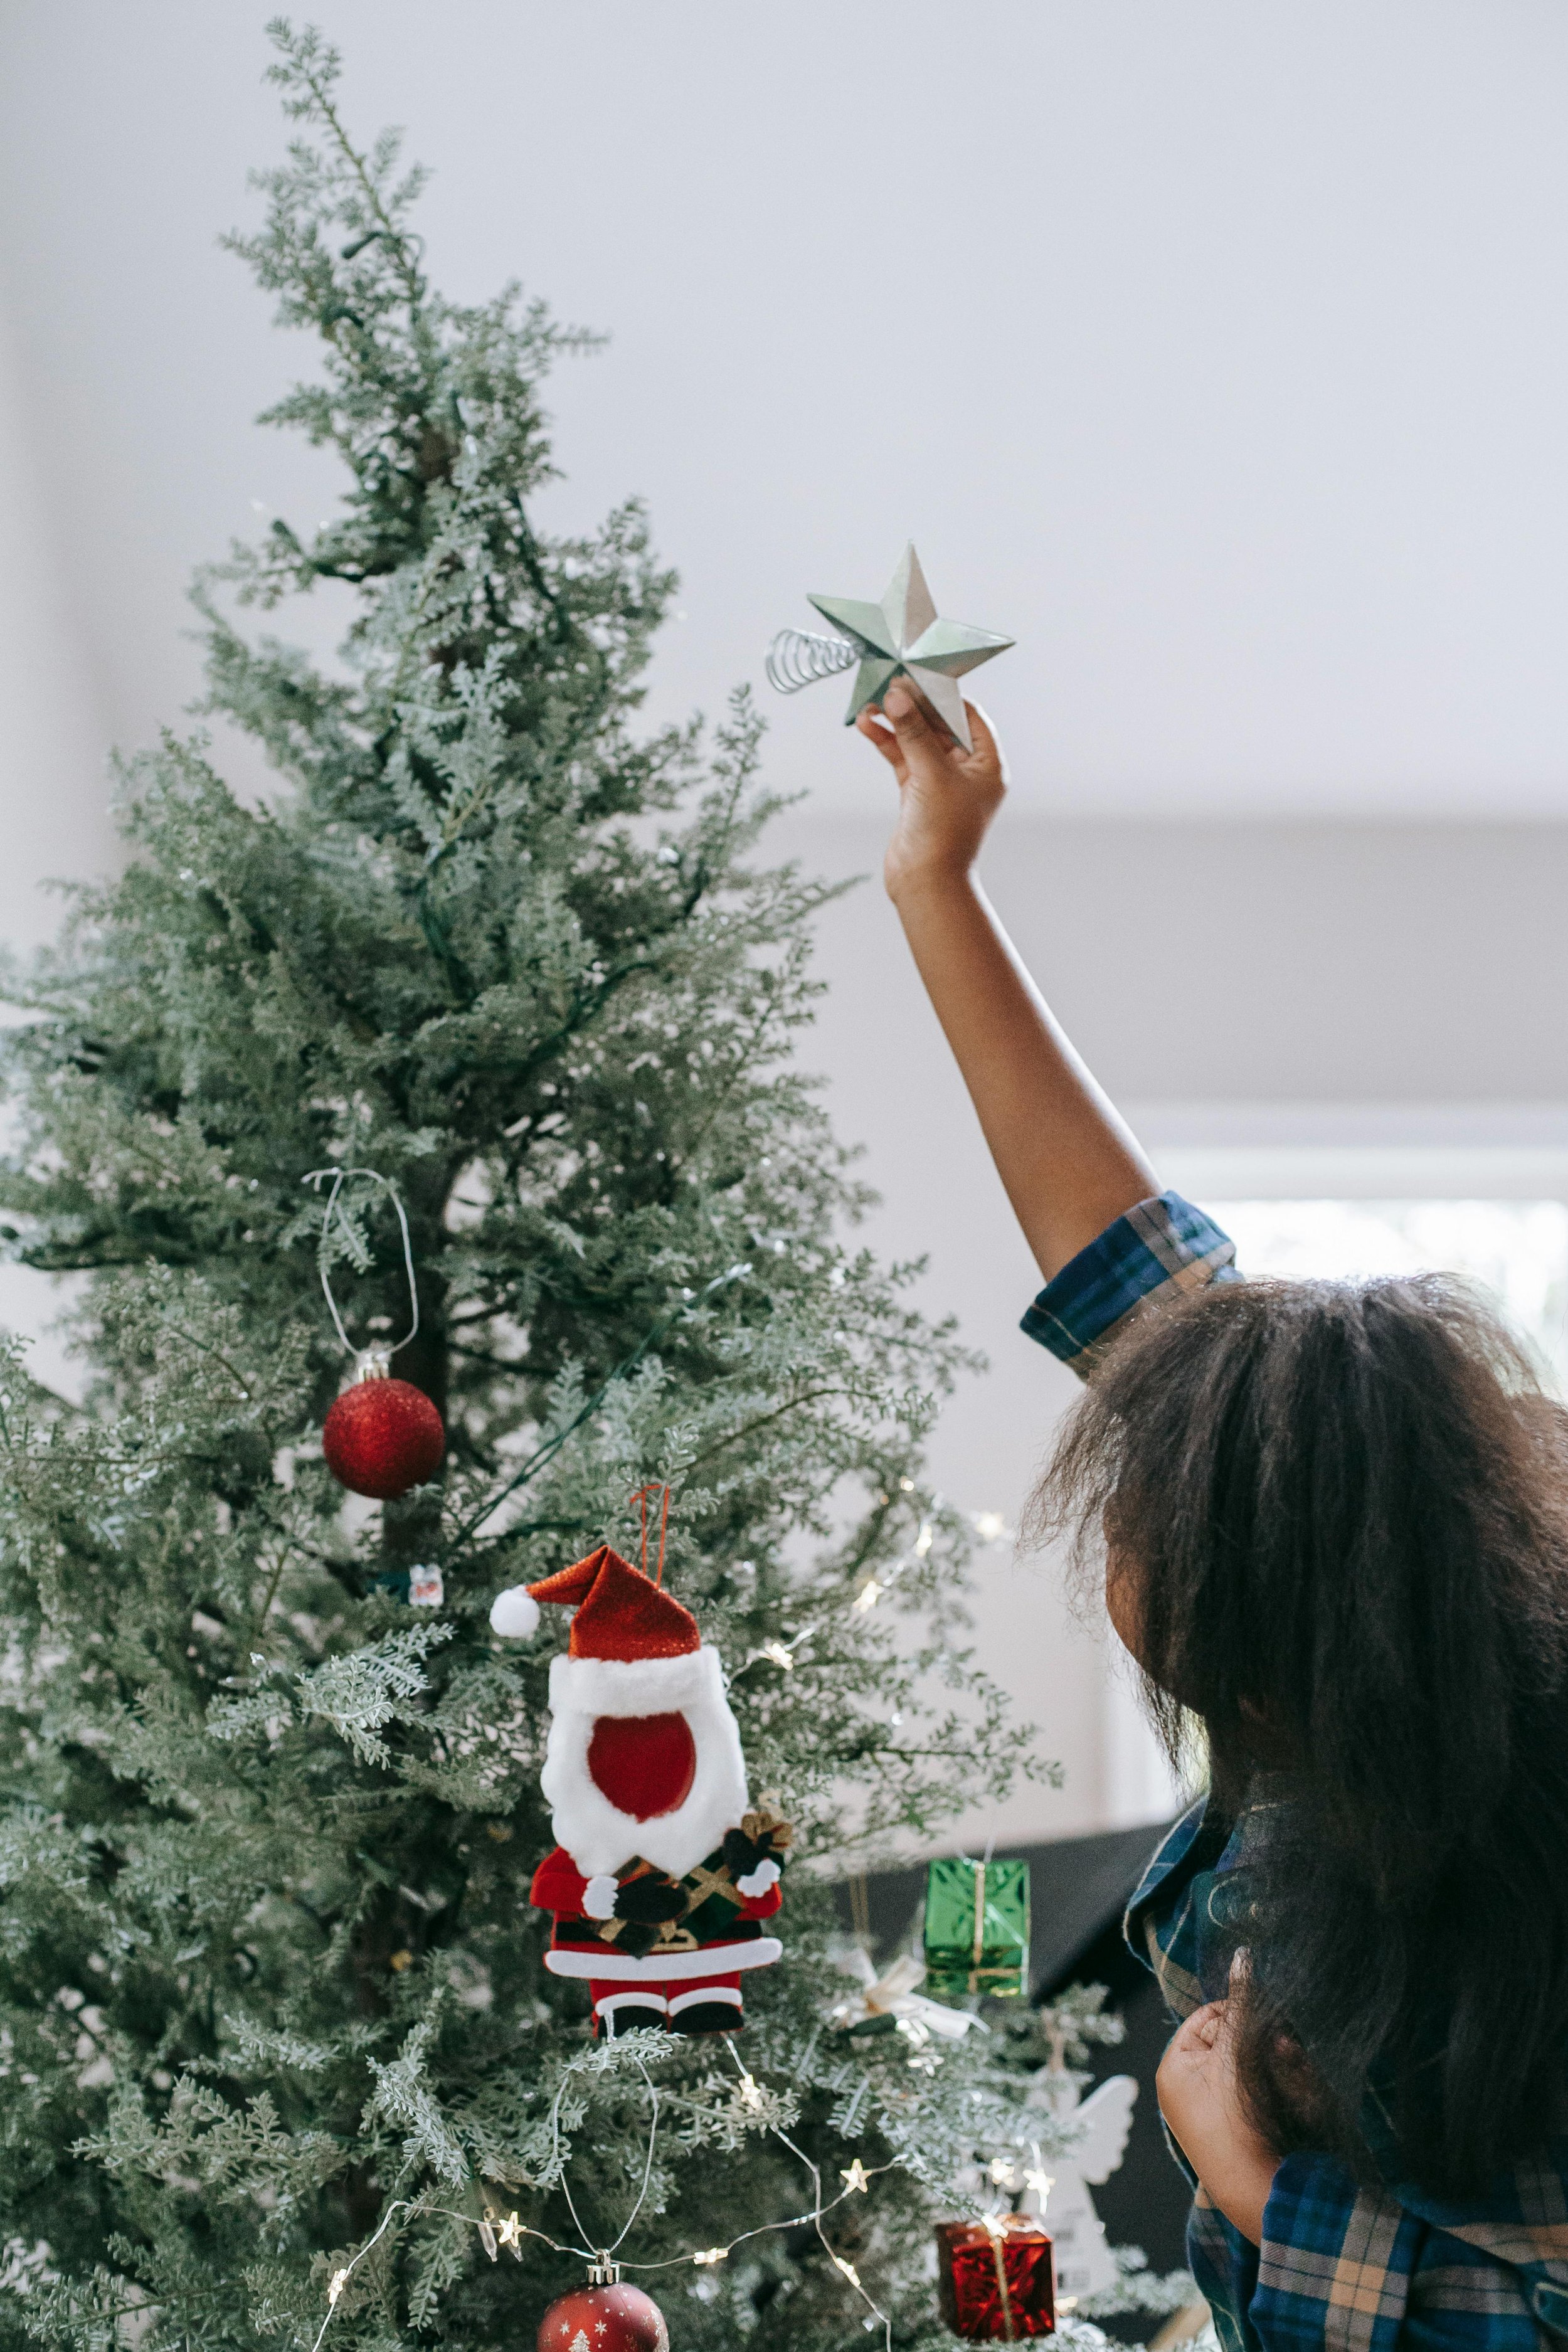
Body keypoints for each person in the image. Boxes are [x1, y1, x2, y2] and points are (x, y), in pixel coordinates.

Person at [859, 680, 1568, 2352]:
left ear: (1263, 1663)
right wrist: (934, 883)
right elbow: (1132, 1270)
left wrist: (1266, 2197)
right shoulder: (1369, 1580)